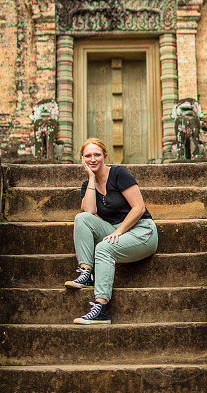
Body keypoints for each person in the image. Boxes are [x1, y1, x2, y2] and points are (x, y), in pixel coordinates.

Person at [65, 137, 158, 324]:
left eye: (97, 155)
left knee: (103, 248)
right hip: (115, 230)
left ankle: (101, 309)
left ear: (105, 156)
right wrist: (91, 178)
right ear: (82, 159)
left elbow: (139, 208)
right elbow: (89, 212)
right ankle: (86, 273)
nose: (93, 159)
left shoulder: (119, 174)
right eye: (88, 156)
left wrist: (120, 231)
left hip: (141, 231)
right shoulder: (87, 185)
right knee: (81, 218)